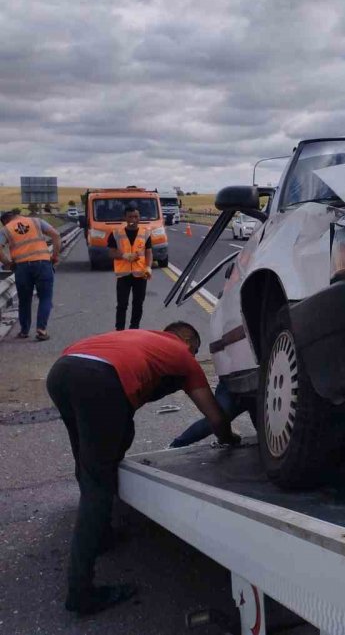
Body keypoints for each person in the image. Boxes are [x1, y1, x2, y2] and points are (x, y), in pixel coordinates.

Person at [46, 322, 240, 616]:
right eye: (195, 350)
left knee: (92, 461)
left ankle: (100, 534)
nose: (194, 356)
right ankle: (81, 592)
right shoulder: (182, 354)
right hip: (99, 380)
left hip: (63, 370)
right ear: (187, 342)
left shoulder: (144, 339)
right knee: (98, 482)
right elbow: (214, 416)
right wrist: (228, 438)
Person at [0, 209, 61, 340]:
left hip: (21, 267)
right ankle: (41, 329)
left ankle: (24, 331)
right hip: (42, 264)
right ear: (17, 215)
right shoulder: (36, 221)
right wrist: (54, 256)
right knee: (45, 297)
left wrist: (7, 263)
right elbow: (55, 235)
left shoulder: (6, 229)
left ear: (5, 220)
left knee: (24, 300)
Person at [106, 205, 152, 331]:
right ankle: (119, 330)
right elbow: (111, 253)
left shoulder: (145, 233)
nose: (133, 219)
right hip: (123, 275)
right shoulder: (116, 233)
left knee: (138, 304)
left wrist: (148, 267)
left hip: (140, 274)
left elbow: (148, 252)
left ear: (139, 218)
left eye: (136, 216)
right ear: (125, 217)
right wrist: (124, 255)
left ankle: (134, 329)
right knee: (122, 305)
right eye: (130, 216)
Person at [170, 377, 250, 447]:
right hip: (236, 381)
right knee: (216, 418)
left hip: (240, 380)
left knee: (217, 418)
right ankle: (176, 444)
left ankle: (176, 444)